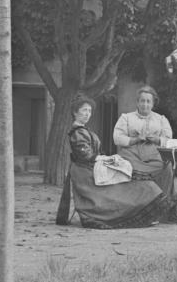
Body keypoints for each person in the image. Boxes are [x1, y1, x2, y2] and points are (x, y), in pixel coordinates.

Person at [57, 95, 170, 228]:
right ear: (75, 113)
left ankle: (141, 211)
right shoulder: (77, 132)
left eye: (89, 111)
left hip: (90, 167)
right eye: (84, 110)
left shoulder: (83, 130)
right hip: (85, 173)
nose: (88, 114)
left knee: (133, 177)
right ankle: (128, 214)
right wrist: (105, 159)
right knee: (131, 182)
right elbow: (85, 155)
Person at [112, 85, 176, 212]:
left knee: (166, 168)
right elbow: (117, 137)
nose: (145, 105)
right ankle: (133, 208)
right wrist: (135, 139)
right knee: (126, 167)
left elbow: (169, 139)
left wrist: (157, 139)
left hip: (155, 154)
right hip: (131, 153)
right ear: (137, 102)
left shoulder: (161, 119)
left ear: (153, 104)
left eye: (148, 101)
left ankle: (160, 206)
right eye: (142, 101)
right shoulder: (126, 118)